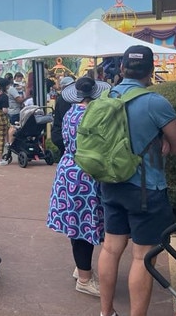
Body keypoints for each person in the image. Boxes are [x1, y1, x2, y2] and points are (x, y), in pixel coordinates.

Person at [98, 45, 176, 316]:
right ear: (150, 72)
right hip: (145, 190)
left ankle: (106, 312)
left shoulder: (105, 97)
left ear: (122, 69)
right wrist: (162, 141)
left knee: (110, 249)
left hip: (111, 184)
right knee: (142, 256)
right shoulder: (154, 102)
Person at [46, 76, 111, 298]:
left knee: (77, 223)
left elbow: (64, 141)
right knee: (85, 224)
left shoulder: (70, 113)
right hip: (87, 173)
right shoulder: (96, 114)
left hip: (69, 170)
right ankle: (84, 278)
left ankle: (81, 267)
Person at [50, 76, 76, 157]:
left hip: (63, 133)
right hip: (61, 134)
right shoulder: (63, 99)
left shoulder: (69, 98)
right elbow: (66, 117)